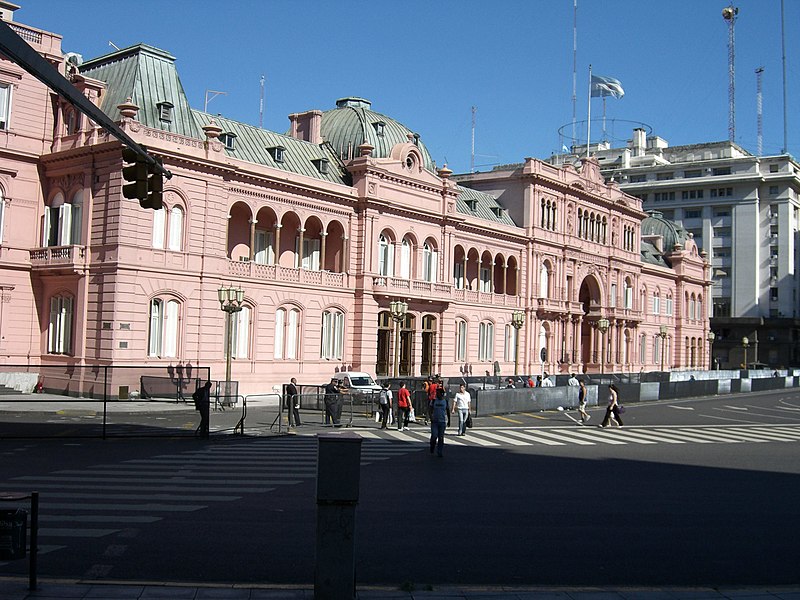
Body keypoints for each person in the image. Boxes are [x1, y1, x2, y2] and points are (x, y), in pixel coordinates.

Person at [429, 386, 448, 456]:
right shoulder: (434, 401)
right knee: (434, 436)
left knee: (441, 437)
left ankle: (440, 451)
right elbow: (430, 409)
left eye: (438, 393)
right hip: (435, 421)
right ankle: (432, 446)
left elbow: (447, 410)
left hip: (442, 421)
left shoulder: (445, 401)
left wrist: (449, 420)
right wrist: (431, 417)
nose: (437, 394)